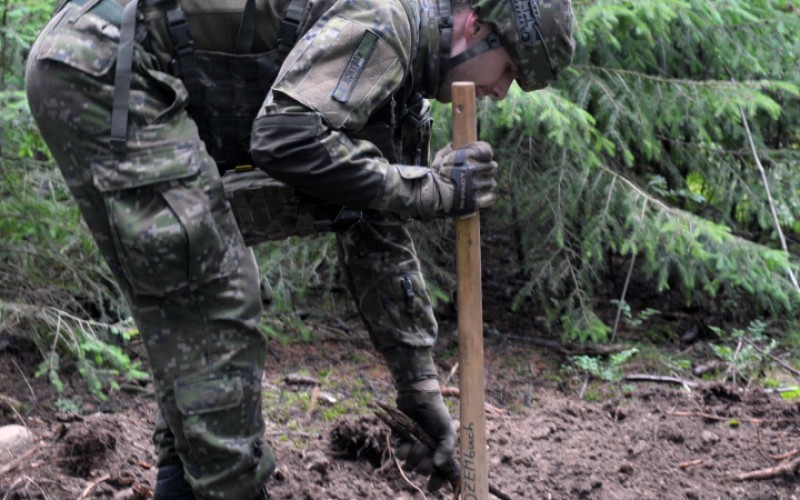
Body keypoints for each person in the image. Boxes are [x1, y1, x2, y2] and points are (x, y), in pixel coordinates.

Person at [25, 0, 574, 498]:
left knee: (201, 299)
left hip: (132, 72)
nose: (501, 92)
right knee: (214, 295)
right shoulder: (386, 22)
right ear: (475, 25)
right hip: (104, 66)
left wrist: (418, 386)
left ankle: (185, 484)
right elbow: (287, 137)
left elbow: (373, 224)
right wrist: (431, 189)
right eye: (508, 71)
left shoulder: (403, 75)